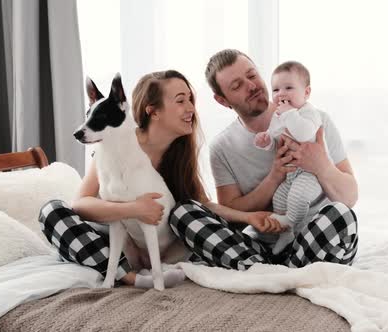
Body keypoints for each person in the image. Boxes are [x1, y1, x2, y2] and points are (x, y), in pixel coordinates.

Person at [38, 70, 282, 288]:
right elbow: (81, 204)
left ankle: (259, 266)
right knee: (52, 211)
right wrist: (134, 209)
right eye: (180, 101)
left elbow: (203, 206)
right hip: (124, 246)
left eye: (190, 100)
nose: (191, 109)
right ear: (153, 111)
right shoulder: (114, 145)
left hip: (169, 249)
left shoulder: (181, 153)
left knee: (186, 210)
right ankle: (130, 278)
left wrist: (248, 217)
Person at [168, 49, 359, 269]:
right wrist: (274, 176)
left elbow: (350, 197)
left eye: (252, 75)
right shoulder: (222, 147)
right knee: (183, 212)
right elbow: (233, 215)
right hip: (261, 247)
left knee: (342, 216)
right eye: (237, 85)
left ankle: (265, 273)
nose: (251, 86)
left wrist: (321, 165)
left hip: (315, 239)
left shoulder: (314, 120)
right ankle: (279, 272)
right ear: (222, 100)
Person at [248, 60, 331, 254]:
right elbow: (275, 134)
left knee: (298, 196)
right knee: (279, 198)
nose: (281, 94)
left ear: (306, 92)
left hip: (312, 174)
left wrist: (289, 114)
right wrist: (266, 140)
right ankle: (287, 233)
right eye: (276, 90)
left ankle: (294, 224)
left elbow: (303, 133)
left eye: (288, 88)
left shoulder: (310, 113)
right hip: (292, 174)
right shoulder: (281, 114)